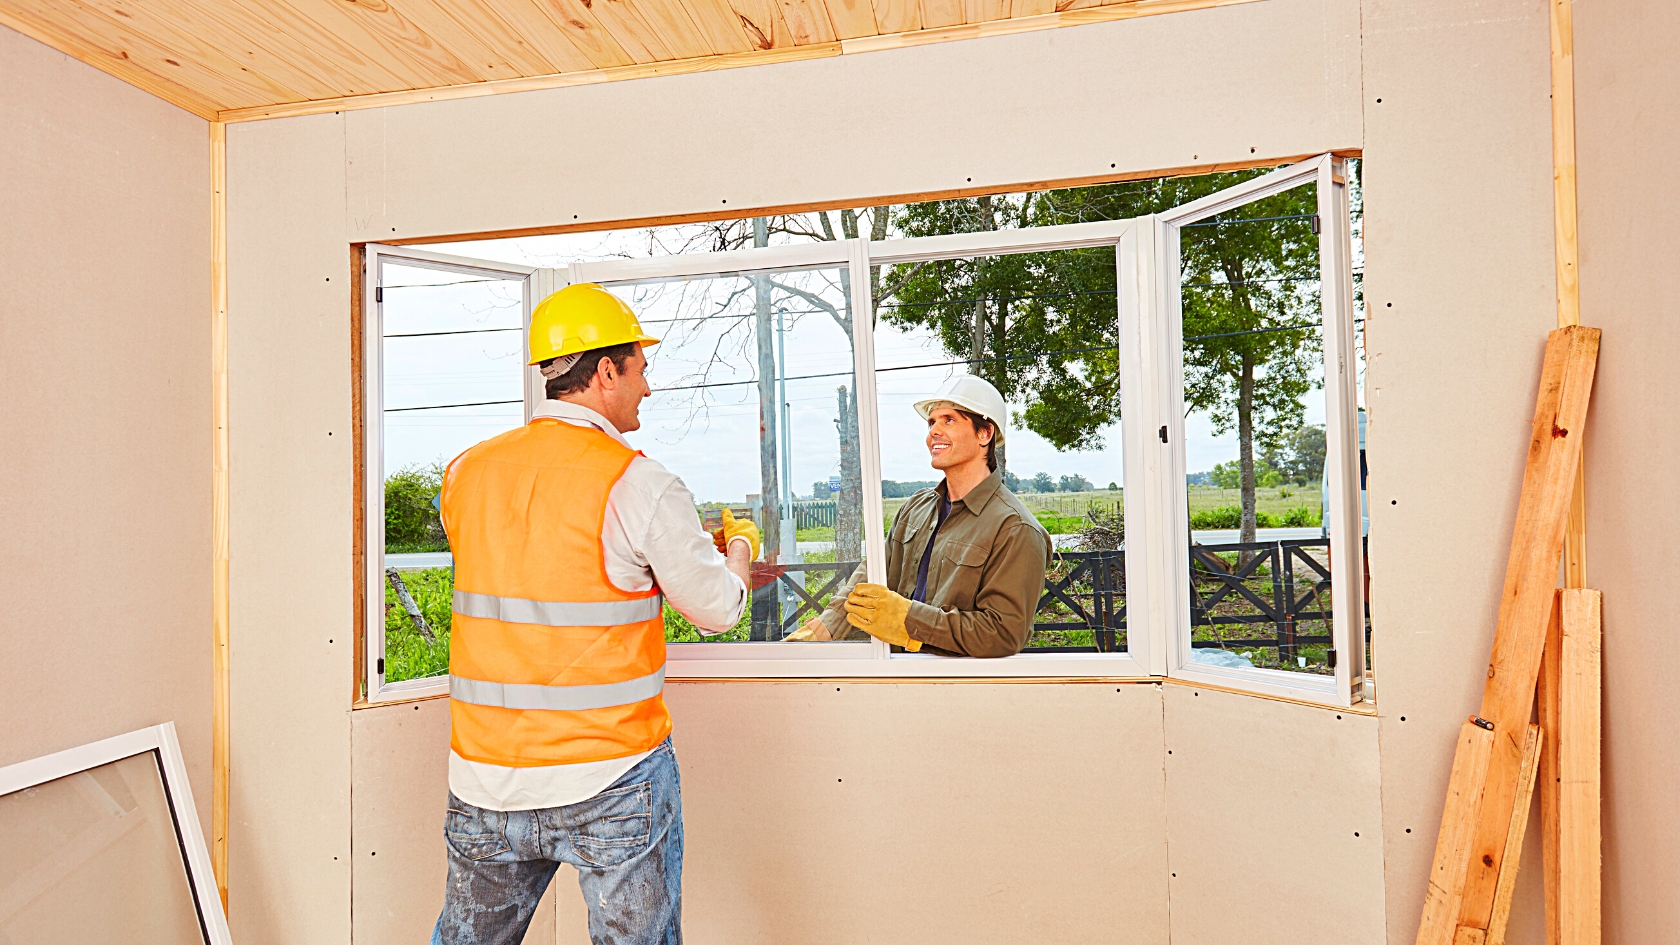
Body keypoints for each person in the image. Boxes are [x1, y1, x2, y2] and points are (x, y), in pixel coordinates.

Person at [433, 283, 761, 945]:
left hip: (484, 778)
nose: (648, 384)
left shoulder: (465, 471)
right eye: (640, 367)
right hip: (609, 776)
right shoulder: (639, 482)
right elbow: (718, 608)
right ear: (605, 370)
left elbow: (540, 563)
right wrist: (742, 547)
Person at [788, 374, 1051, 657]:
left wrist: (908, 619)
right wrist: (819, 633)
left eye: (949, 420)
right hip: (895, 674)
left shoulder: (1016, 529)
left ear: (984, 434)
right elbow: (871, 579)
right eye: (931, 422)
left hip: (959, 688)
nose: (934, 432)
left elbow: (1003, 634)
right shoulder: (916, 508)